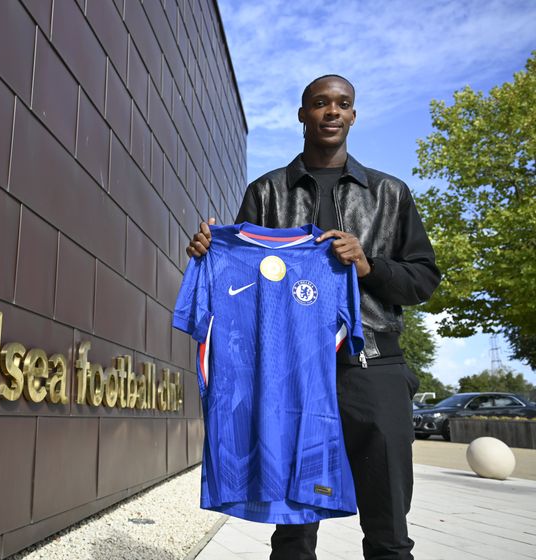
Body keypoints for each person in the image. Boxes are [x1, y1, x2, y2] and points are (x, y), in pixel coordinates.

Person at [186, 75, 440, 560]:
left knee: (388, 528)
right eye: (320, 103)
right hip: (289, 372)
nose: (332, 112)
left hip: (372, 368)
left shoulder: (390, 193)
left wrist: (369, 266)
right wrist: (208, 253)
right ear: (303, 115)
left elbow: (424, 279)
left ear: (354, 115)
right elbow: (245, 277)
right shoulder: (267, 192)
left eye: (343, 104)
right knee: (292, 528)